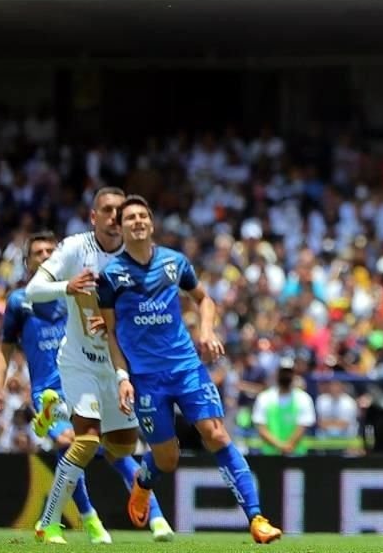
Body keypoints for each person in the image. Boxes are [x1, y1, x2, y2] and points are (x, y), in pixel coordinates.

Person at [95, 195, 281, 544]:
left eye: (142, 216)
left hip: (187, 368)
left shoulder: (174, 262)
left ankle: (257, 518)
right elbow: (111, 335)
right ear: (120, 227)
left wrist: (206, 331)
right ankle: (143, 482)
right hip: (146, 379)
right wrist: (122, 378)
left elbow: (204, 299)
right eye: (129, 217)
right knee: (167, 459)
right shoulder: (110, 276)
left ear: (150, 224)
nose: (137, 221)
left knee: (217, 434)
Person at [24, 189, 172, 543]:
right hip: (79, 362)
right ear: (94, 216)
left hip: (117, 368)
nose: (113, 216)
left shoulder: (138, 257)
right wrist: (68, 287)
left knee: (122, 448)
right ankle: (48, 522)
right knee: (86, 441)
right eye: (106, 210)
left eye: (118, 211)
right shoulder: (77, 248)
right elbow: (33, 290)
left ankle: (56, 408)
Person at [0, 231, 111, 543]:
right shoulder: (19, 301)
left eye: (49, 251)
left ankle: (54, 519)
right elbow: (3, 348)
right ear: (28, 262)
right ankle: (88, 517)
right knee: (69, 441)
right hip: (47, 392)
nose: (44, 257)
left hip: (81, 383)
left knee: (91, 445)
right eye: (37, 253)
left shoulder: (78, 293)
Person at [253, 357, 316, 455]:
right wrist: (281, 446)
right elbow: (261, 427)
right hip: (270, 455)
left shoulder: (304, 398)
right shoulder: (264, 397)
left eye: (289, 372)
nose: (286, 375)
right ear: (277, 373)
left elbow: (302, 426)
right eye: (283, 372)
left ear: (294, 374)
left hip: (296, 454)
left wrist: (287, 446)